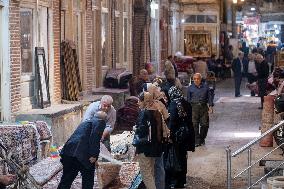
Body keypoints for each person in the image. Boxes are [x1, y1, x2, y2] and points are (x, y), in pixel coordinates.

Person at [58, 111, 107, 189]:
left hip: (68, 152)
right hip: (82, 154)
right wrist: (94, 155)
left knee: (66, 180)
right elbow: (94, 137)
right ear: (104, 119)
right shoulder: (100, 122)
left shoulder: (86, 122)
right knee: (88, 179)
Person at [166, 86, 195, 189]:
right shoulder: (186, 103)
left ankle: (176, 181)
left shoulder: (174, 104)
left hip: (177, 136)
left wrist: (169, 134)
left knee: (176, 157)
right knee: (183, 157)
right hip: (186, 135)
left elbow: (172, 121)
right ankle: (182, 180)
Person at [187, 73, 214, 146]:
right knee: (194, 125)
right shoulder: (190, 88)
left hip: (203, 108)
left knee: (205, 125)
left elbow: (209, 97)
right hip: (193, 108)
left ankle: (202, 139)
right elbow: (188, 100)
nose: (196, 80)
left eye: (198, 79)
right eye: (194, 79)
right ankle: (196, 141)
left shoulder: (206, 87)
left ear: (200, 79)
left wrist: (211, 106)